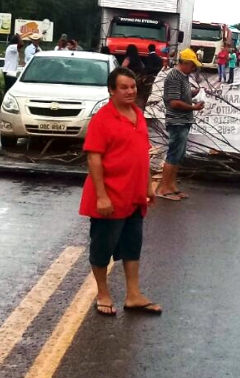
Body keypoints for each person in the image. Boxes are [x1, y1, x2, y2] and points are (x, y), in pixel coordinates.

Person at [79, 67, 161, 316]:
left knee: (132, 246)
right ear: (111, 91)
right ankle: (103, 293)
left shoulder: (137, 114)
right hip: (110, 196)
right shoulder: (102, 119)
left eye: (133, 87)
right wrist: (102, 196)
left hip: (135, 197)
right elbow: (94, 158)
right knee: (102, 247)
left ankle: (133, 295)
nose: (130, 91)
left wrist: (148, 187)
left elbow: (142, 155)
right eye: (123, 87)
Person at [156, 49, 204, 201]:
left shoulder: (183, 76)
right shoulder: (174, 77)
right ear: (185, 63)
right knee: (173, 154)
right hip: (177, 121)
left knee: (179, 155)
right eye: (192, 65)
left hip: (184, 121)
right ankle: (163, 188)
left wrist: (194, 94)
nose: (193, 69)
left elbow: (183, 95)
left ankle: (172, 186)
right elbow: (174, 102)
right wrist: (193, 108)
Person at [138, 44, 164, 111]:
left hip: (149, 77)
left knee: (145, 92)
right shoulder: (159, 58)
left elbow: (148, 68)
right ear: (154, 49)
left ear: (148, 49)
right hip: (158, 77)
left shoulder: (149, 57)